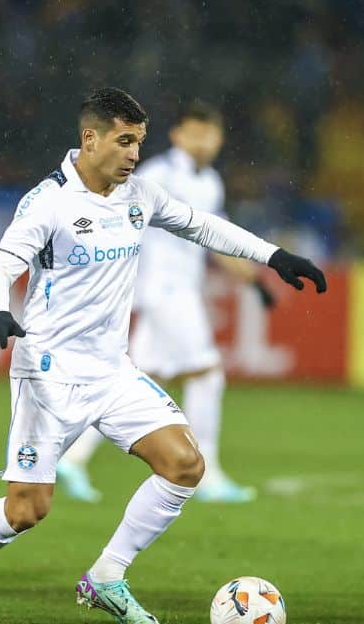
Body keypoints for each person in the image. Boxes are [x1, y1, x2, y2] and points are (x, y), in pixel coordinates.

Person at [0, 87, 325, 624]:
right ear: (90, 139)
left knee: (185, 464)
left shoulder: (139, 194)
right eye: (125, 141)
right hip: (48, 373)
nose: (134, 154)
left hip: (112, 369)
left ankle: (106, 575)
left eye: (139, 142)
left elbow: (204, 225)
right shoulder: (48, 201)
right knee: (27, 510)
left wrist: (274, 256)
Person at [57, 100, 275, 504]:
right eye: (196, 132)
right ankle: (206, 472)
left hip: (179, 291)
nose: (205, 141)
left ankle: (71, 457)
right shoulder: (156, 173)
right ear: (177, 134)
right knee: (208, 374)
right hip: (163, 291)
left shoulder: (210, 182)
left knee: (128, 383)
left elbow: (215, 235)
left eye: (211, 134)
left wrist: (254, 280)